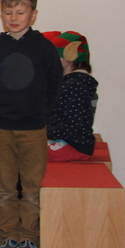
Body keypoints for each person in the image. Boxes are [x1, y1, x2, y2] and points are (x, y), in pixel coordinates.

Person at [0, 0, 62, 248]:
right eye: (8, 12)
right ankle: (9, 235)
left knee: (31, 187)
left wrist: (41, 113)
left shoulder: (44, 48)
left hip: (33, 128)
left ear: (33, 14)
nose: (13, 18)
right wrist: (0, 105)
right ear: (2, 14)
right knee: (5, 187)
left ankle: (28, 236)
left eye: (20, 12)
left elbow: (55, 83)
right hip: (2, 127)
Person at [45, 31, 98, 162]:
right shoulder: (70, 83)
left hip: (72, 145)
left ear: (71, 56)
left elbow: (72, 125)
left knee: (24, 152)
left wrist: (40, 133)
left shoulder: (74, 85)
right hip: (64, 141)